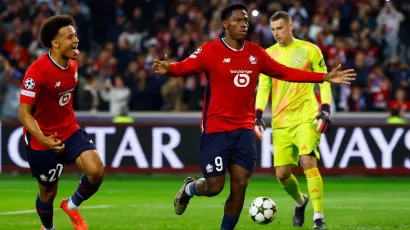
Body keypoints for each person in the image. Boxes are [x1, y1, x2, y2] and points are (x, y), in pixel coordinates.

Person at [152, 3, 355, 230]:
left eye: (246, 20)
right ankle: (190, 189)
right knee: (215, 187)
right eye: (238, 20)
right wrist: (168, 69)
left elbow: (285, 72)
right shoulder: (210, 50)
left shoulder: (256, 53)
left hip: (243, 130)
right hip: (216, 128)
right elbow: (185, 66)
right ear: (225, 24)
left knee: (240, 185)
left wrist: (323, 77)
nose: (243, 24)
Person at [18, 15, 104, 230]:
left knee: (96, 171)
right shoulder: (36, 72)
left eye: (75, 35)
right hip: (43, 138)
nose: (76, 40)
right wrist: (42, 139)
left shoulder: (73, 61)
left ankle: (71, 206)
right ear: (55, 43)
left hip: (69, 129)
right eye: (69, 37)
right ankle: (48, 228)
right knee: (48, 193)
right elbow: (24, 113)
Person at [254, 11, 331, 229]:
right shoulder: (267, 55)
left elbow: (324, 80)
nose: (276, 33)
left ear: (290, 26)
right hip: (280, 121)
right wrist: (258, 114)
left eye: (279, 28)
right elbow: (264, 87)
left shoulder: (309, 50)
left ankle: (318, 217)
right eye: (272, 30)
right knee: (282, 175)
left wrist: (325, 108)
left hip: (306, 116)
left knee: (308, 161)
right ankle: (301, 201)